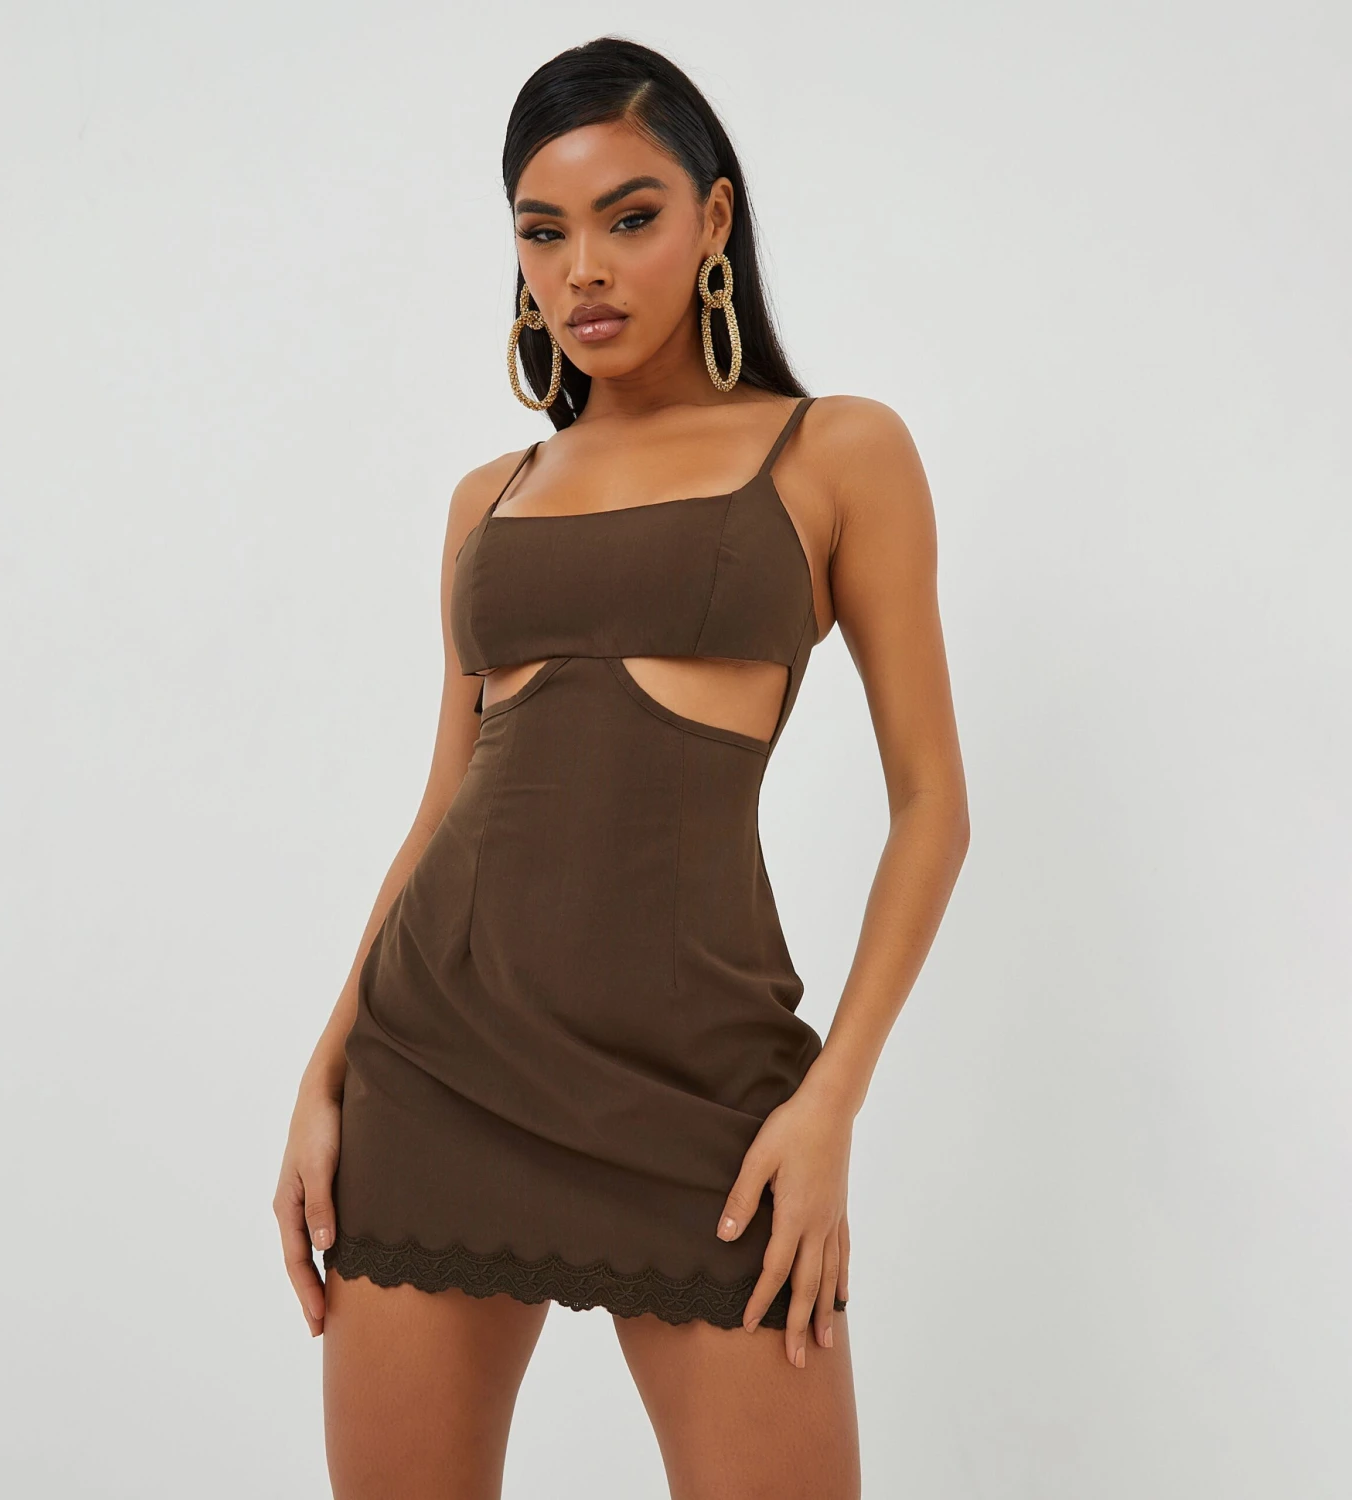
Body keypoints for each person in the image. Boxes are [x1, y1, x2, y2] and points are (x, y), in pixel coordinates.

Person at [274, 35, 969, 1500]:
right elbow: (446, 801)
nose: (581, 268)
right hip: (434, 1075)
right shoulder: (491, 496)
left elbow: (931, 807)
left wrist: (830, 1104)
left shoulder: (836, 451)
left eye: (628, 217)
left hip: (705, 1099)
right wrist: (326, 1070)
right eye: (543, 232)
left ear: (714, 221)